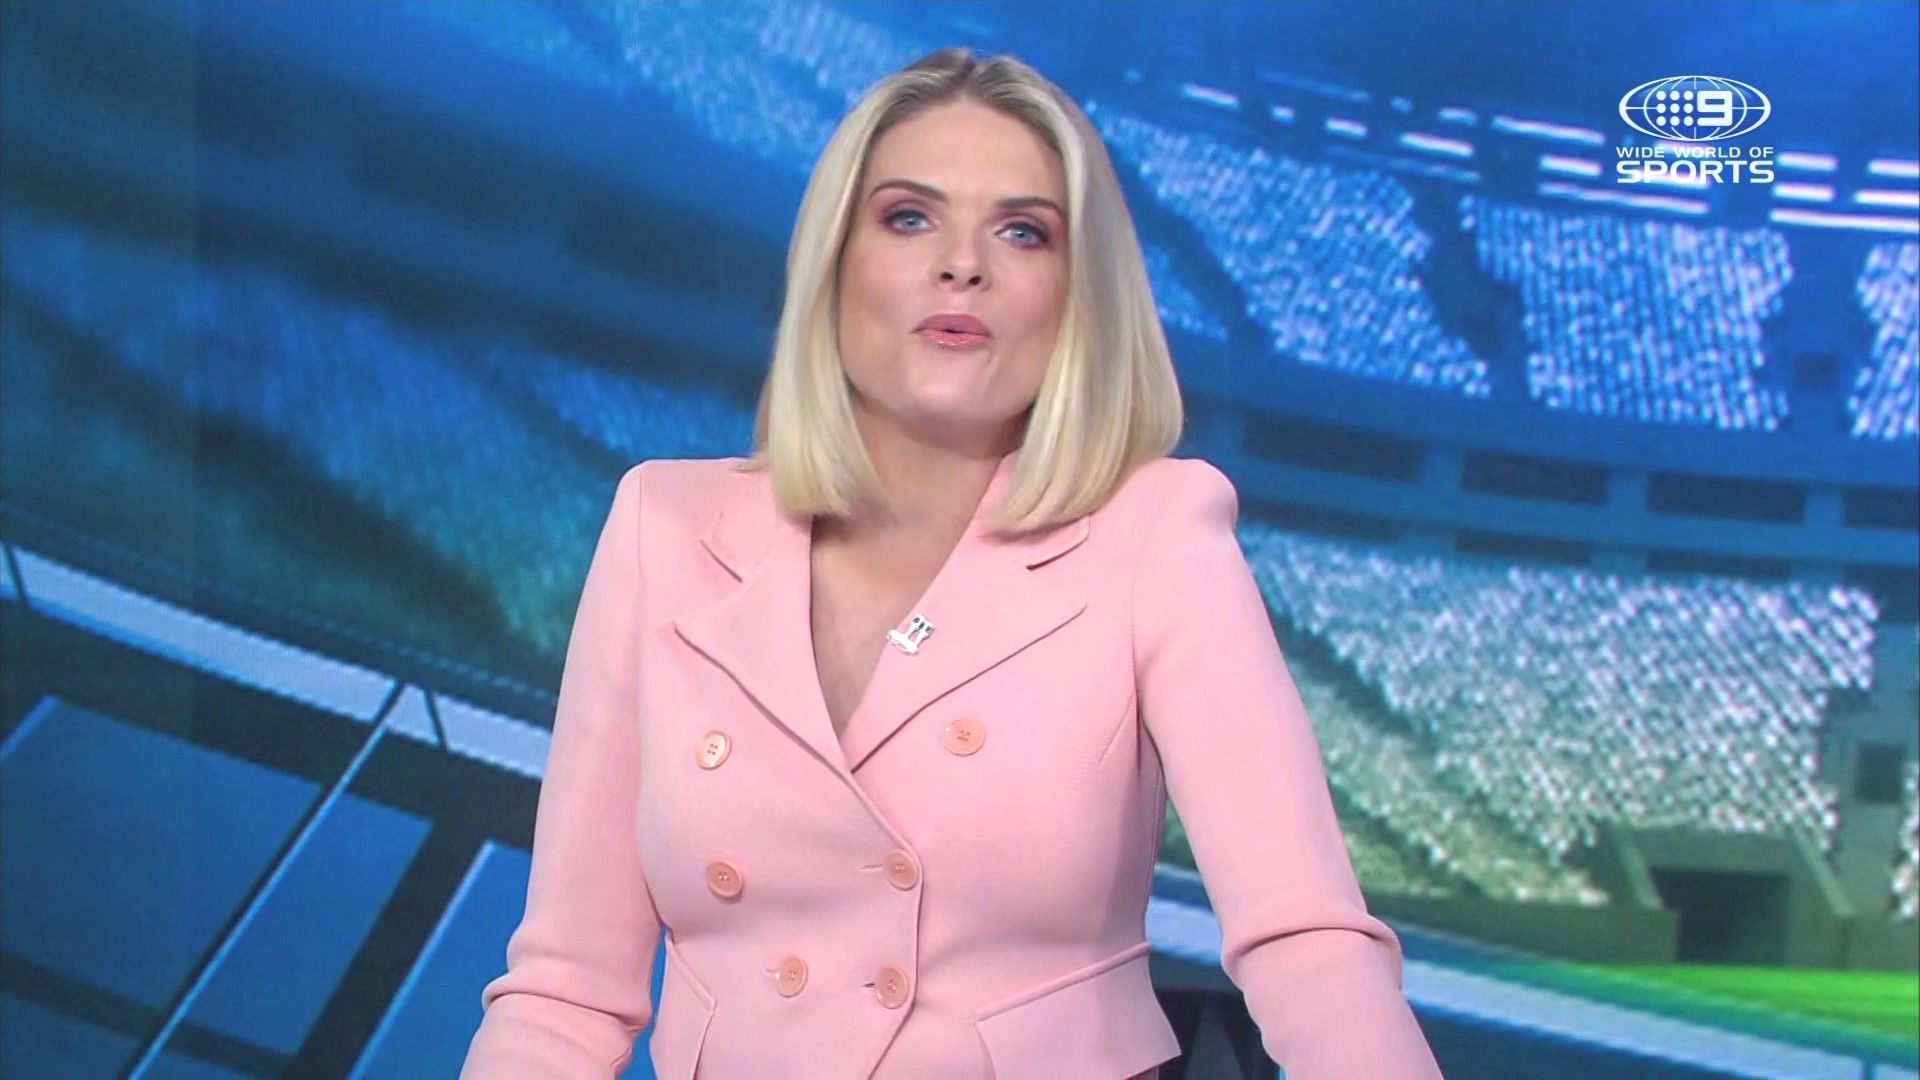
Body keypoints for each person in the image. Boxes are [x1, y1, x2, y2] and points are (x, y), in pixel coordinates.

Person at [460, 46, 1444, 1080]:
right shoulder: (663, 525)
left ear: (1079, 296)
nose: (963, 263)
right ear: (833, 263)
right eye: (909, 218)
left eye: (1022, 231)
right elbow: (565, 993)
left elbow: (1307, 944)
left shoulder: (1155, 536)